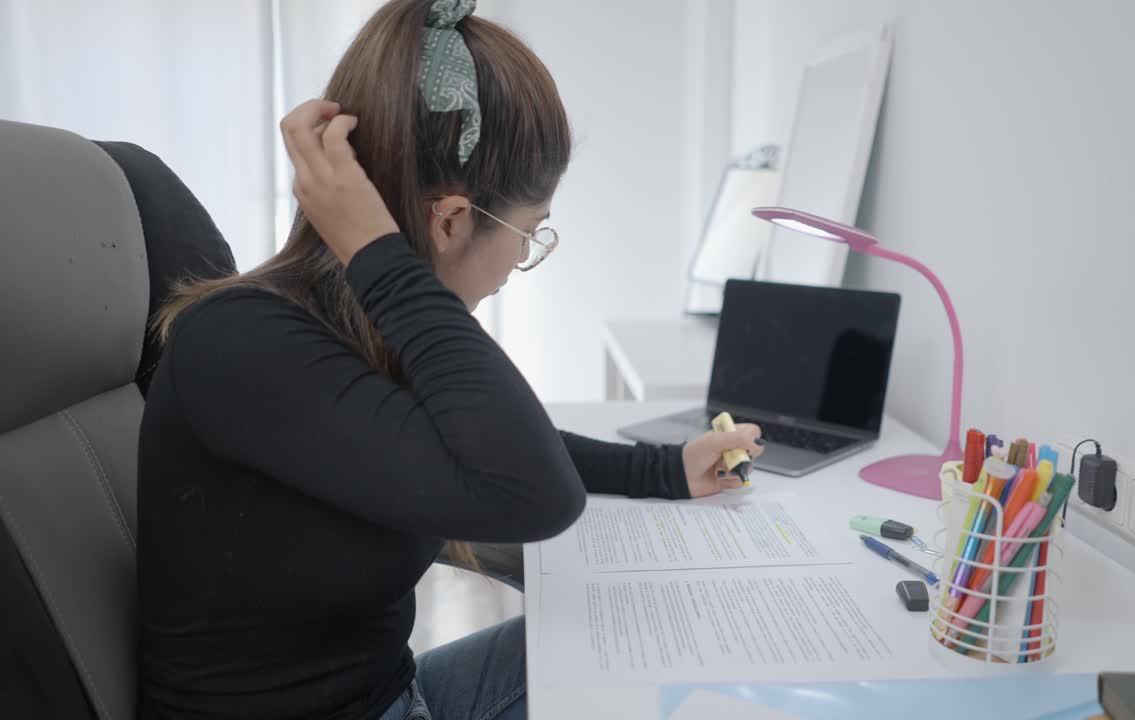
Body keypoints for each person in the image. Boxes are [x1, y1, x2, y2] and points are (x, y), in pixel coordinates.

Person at [137, 1, 764, 718]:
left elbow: (454, 445)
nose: (522, 259)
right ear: (451, 220)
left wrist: (660, 469)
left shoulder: (342, 335)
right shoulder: (242, 347)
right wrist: (385, 258)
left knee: (652, 641)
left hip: (393, 694)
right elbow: (534, 493)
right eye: (531, 234)